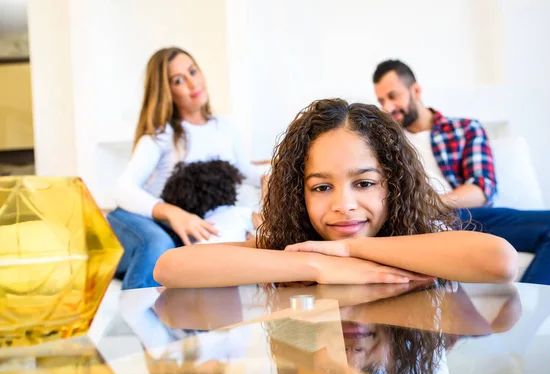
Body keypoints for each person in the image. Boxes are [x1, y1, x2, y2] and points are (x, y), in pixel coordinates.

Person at [153, 98, 518, 288]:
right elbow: (170, 266)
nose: (344, 205)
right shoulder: (299, 245)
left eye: (364, 183)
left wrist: (349, 248)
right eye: (322, 187)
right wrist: (318, 264)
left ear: (393, 186)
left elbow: (500, 261)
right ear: (300, 194)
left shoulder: (415, 240)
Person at [372, 59, 550, 287]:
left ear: (416, 90)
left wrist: (433, 204)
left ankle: (528, 319)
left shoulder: (464, 129)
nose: (388, 107)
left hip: (464, 216)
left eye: (393, 96)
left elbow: (481, 190)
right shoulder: (387, 142)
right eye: (381, 101)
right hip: (409, 225)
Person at [107, 47, 266, 290]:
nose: (193, 83)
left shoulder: (226, 127)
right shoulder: (161, 136)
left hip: (183, 227)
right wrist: (174, 214)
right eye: (179, 80)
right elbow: (123, 188)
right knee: (158, 247)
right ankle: (138, 319)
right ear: (167, 91)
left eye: (193, 71)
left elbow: (243, 171)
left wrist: (275, 175)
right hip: (138, 218)